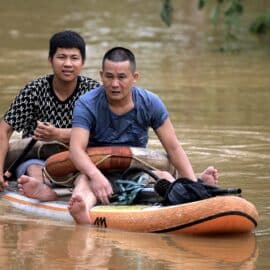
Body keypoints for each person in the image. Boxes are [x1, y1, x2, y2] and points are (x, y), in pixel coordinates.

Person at [67, 47, 218, 224]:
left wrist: (193, 186)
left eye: (122, 77)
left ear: (134, 78)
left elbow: (173, 147)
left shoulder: (150, 102)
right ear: (101, 76)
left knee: (165, 178)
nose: (115, 84)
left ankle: (196, 186)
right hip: (96, 171)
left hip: (137, 171)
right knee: (83, 183)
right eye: (109, 77)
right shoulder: (87, 104)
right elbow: (76, 149)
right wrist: (97, 177)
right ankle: (82, 210)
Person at [0, 30, 100, 197]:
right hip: (35, 157)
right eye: (61, 57)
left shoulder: (93, 92)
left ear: (82, 62)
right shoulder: (34, 90)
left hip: (78, 158)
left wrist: (57, 134)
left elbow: (103, 131)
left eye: (74, 58)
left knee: (86, 172)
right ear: (50, 60)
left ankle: (80, 194)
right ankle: (40, 188)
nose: (68, 64)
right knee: (33, 169)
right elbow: (3, 130)